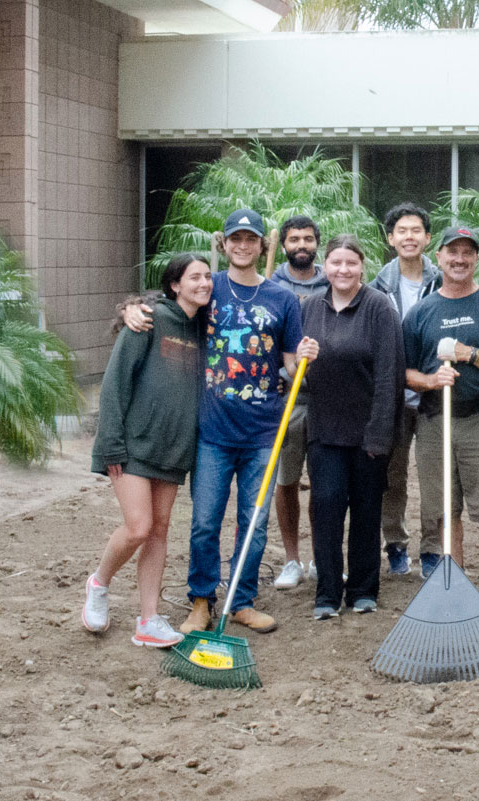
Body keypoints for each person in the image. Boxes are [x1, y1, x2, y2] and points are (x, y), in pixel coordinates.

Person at [118, 209, 319, 635]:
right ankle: (200, 601)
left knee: (254, 519)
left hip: (264, 431)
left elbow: (285, 364)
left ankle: (242, 600)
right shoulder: (209, 289)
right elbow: (169, 307)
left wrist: (300, 359)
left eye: (250, 239)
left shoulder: (283, 299)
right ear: (223, 244)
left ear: (261, 245)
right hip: (212, 430)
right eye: (235, 239)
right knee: (205, 520)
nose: (242, 246)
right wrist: (133, 308)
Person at [83, 253, 213, 647]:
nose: (204, 283)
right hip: (133, 446)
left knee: (158, 531)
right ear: (174, 284)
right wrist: (110, 443)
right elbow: (115, 383)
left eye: (208, 276)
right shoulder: (147, 320)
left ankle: (149, 620)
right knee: (138, 527)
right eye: (194, 277)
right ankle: (99, 583)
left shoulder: (205, 327)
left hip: (174, 449)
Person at [402, 225, 479, 623]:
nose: (459, 260)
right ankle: (452, 589)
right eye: (452, 252)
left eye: (467, 253)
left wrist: (468, 354)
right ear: (438, 257)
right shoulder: (421, 312)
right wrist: (430, 380)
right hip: (435, 420)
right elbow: (403, 371)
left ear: (476, 259)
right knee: (444, 509)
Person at [300, 235, 404, 619]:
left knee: (365, 510)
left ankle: (362, 589)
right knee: (326, 507)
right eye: (336, 263)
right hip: (325, 429)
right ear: (325, 266)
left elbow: (389, 375)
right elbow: (299, 372)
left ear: (363, 267)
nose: (343, 270)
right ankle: (327, 592)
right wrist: (301, 361)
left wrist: (380, 434)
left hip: (368, 432)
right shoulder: (311, 307)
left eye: (351, 263)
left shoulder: (379, 308)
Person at [368, 203, 441, 577]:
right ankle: (394, 542)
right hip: (392, 398)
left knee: (434, 478)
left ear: (427, 238)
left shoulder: (444, 282)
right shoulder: (376, 287)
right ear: (390, 238)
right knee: (391, 477)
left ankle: (432, 548)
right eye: (401, 231)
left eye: (416, 230)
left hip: (433, 397)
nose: (409, 237)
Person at [266, 215, 331, 591]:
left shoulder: (333, 279)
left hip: (327, 398)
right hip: (286, 398)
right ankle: (291, 560)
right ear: (285, 244)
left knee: (326, 482)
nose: (301, 245)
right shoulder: (271, 284)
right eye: (294, 239)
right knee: (286, 481)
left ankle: (323, 557)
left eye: (308, 238)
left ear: (316, 243)